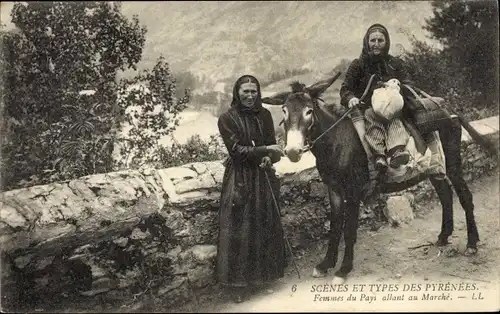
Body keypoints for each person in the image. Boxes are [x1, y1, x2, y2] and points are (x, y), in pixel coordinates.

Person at [216, 74, 286, 303]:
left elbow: (269, 146)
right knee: (241, 228)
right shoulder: (227, 118)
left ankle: (261, 278)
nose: (249, 96)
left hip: (261, 177)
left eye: (253, 91)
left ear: (259, 93)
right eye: (245, 91)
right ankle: (238, 285)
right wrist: (265, 149)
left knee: (262, 224)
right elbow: (236, 151)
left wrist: (268, 158)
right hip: (240, 179)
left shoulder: (264, 115)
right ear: (237, 93)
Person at [340, 23, 414, 197]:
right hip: (369, 109)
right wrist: (350, 98)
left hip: (394, 109)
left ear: (386, 42)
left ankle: (397, 151)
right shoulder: (358, 65)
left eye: (381, 40)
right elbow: (345, 88)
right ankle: (379, 156)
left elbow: (410, 84)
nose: (376, 44)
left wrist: (397, 86)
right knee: (371, 115)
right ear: (367, 42)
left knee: (395, 119)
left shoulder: (395, 63)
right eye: (373, 40)